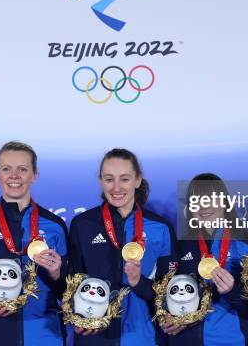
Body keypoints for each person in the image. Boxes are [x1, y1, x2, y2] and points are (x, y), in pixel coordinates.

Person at [0, 141, 68, 345]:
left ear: (34, 175)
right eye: (6, 169)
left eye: (22, 169)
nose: (14, 176)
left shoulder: (54, 225)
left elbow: (68, 288)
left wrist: (56, 274)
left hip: (45, 333)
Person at [68, 148, 177, 346]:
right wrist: (76, 316)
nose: (116, 187)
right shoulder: (82, 224)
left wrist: (138, 282)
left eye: (124, 179)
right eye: (109, 179)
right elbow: (71, 283)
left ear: (137, 180)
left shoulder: (160, 228)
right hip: (93, 337)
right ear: (101, 181)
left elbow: (168, 292)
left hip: (142, 337)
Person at [164, 173, 248, 346]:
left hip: (231, 341)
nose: (204, 207)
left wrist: (232, 291)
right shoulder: (180, 246)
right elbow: (163, 294)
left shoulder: (246, 244)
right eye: (197, 200)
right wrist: (168, 316)